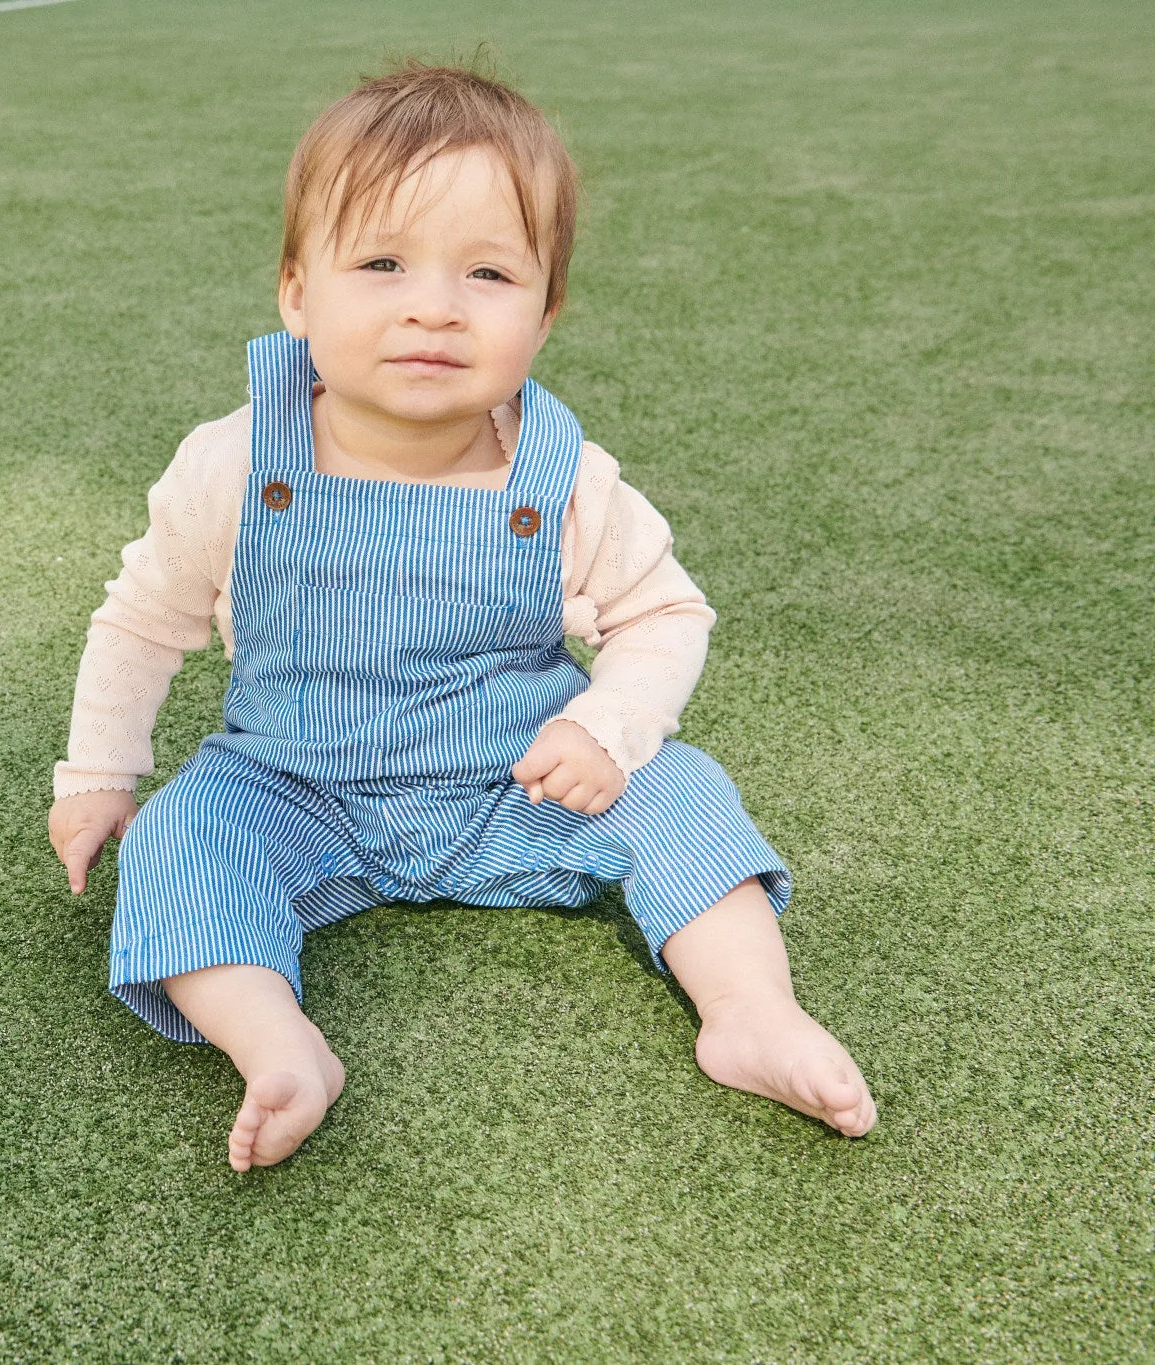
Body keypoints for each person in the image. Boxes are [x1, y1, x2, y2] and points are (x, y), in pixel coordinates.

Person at [47, 61, 875, 1172]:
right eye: (381, 263)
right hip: (293, 786)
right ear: (296, 291)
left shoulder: (559, 474)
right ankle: (275, 1041)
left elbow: (663, 613)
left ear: (545, 313)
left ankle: (747, 1012)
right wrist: (97, 775)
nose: (432, 305)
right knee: (179, 840)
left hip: (515, 787)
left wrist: (604, 729)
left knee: (684, 789)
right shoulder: (234, 463)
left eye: (487, 273)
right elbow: (142, 621)